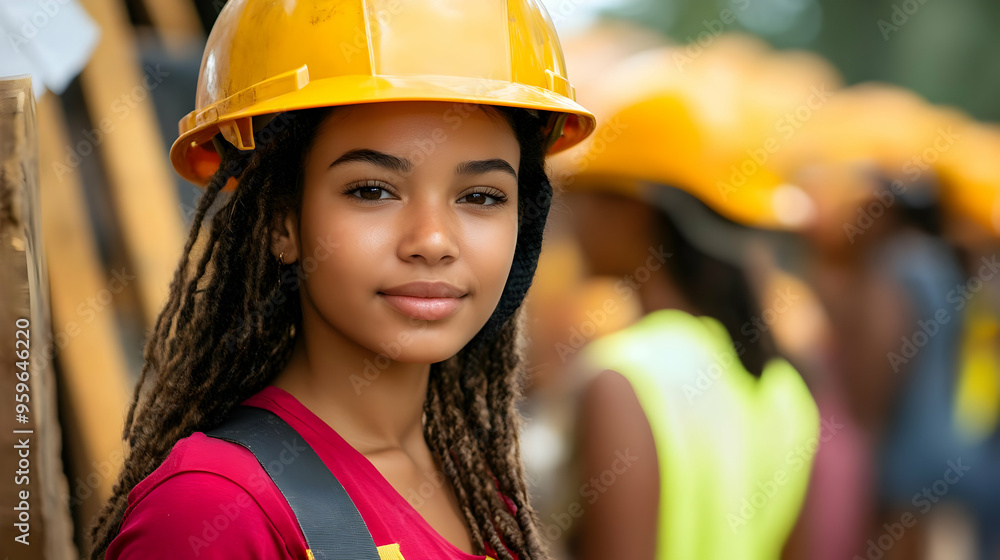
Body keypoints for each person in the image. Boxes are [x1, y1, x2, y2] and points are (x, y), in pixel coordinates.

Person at [86, 2, 595, 559]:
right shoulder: (214, 511)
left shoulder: (476, 484)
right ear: (283, 220)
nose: (432, 240)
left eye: (481, 197)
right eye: (372, 190)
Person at [548, 40, 826, 560]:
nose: (569, 214)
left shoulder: (624, 376)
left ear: (634, 208)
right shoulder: (787, 390)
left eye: (583, 191)